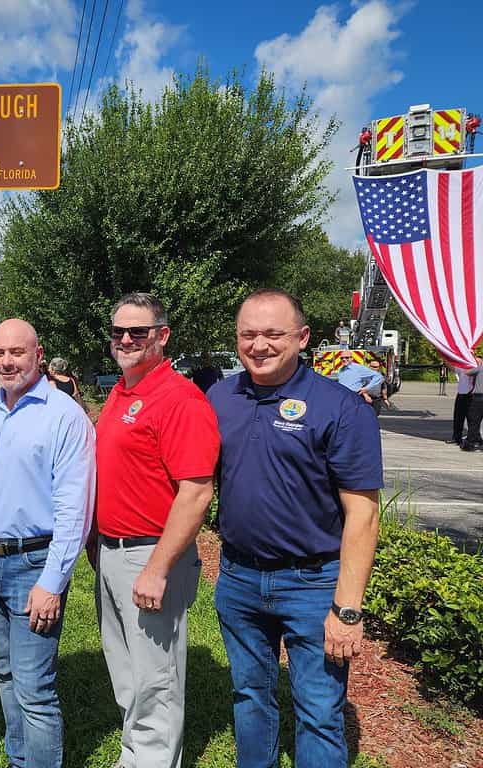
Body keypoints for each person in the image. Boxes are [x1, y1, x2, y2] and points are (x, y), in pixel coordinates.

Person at [207, 289, 382, 767]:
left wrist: (347, 608)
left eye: (273, 333)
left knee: (320, 712)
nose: (259, 345)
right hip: (239, 579)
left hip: (314, 583)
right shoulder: (220, 397)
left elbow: (364, 514)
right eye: (248, 334)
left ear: (302, 338)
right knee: (250, 697)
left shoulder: (342, 408)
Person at [92, 293, 220, 768]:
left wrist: (158, 567)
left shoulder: (179, 399)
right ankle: (136, 757)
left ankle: (153, 759)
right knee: (128, 673)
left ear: (162, 336)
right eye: (118, 331)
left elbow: (196, 493)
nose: (126, 339)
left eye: (138, 332)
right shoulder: (124, 391)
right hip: (113, 553)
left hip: (150, 556)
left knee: (156, 682)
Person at [0, 318, 96, 768]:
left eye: (17, 352)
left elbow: (74, 510)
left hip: (34, 564)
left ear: (38, 355)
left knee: (34, 687)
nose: (7, 361)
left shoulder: (64, 416)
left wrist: (53, 581)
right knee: (4, 673)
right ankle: (19, 758)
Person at [451, 361, 479, 446]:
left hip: (472, 394)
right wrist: (445, 357)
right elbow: (452, 368)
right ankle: (457, 437)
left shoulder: (477, 367)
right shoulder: (461, 366)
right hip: (461, 393)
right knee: (458, 417)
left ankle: (475, 438)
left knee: (473, 419)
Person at [461, 357, 483, 452]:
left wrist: (470, 363)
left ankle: (470, 443)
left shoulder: (480, 368)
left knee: (474, 420)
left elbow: (466, 372)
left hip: (479, 397)